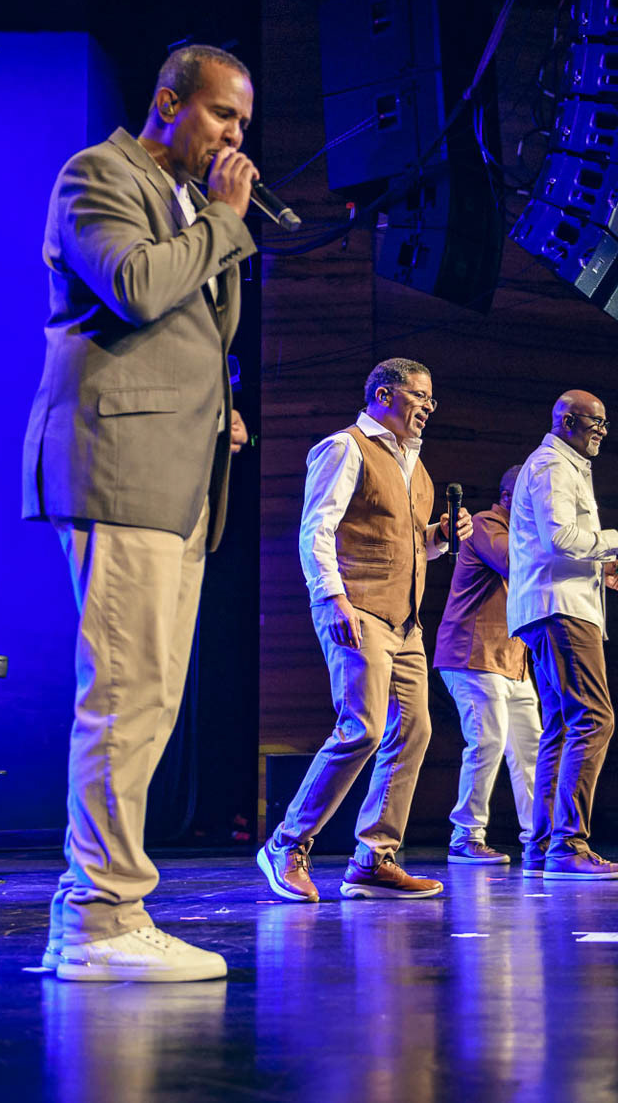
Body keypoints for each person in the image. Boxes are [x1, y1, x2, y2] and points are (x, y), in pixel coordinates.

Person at [21, 44, 259, 982]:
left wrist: (214, 411)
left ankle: (112, 907)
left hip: (175, 474)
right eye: (223, 116)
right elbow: (135, 285)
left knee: (150, 695)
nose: (236, 137)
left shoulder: (187, 205)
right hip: (116, 464)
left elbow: (185, 335)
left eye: (243, 123)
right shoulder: (98, 175)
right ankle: (96, 918)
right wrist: (226, 221)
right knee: (123, 693)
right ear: (168, 102)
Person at [256, 358, 473, 901]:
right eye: (419, 395)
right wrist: (331, 597)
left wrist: (440, 536)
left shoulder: (416, 466)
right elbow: (317, 529)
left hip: (406, 622)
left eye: (431, 398)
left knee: (414, 730)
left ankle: (374, 856)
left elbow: (409, 545)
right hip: (358, 608)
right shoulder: (345, 447)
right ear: (383, 395)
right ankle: (286, 843)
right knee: (363, 728)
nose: (428, 407)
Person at [508, 391, 618, 880]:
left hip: (553, 607)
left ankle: (544, 844)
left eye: (605, 423)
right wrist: (616, 539)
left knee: (563, 727)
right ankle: (568, 844)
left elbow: (556, 545)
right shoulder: (552, 466)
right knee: (593, 718)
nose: (602, 431)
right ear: (567, 422)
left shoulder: (563, 466)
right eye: (595, 422)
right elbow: (560, 538)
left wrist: (602, 571)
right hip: (560, 611)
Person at [434, 465, 541, 865]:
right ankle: (466, 836)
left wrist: (598, 572)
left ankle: (539, 837)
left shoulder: (525, 534)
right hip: (473, 655)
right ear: (510, 497)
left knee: (530, 750)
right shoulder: (484, 524)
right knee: (487, 743)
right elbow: (515, 562)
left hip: (512, 661)